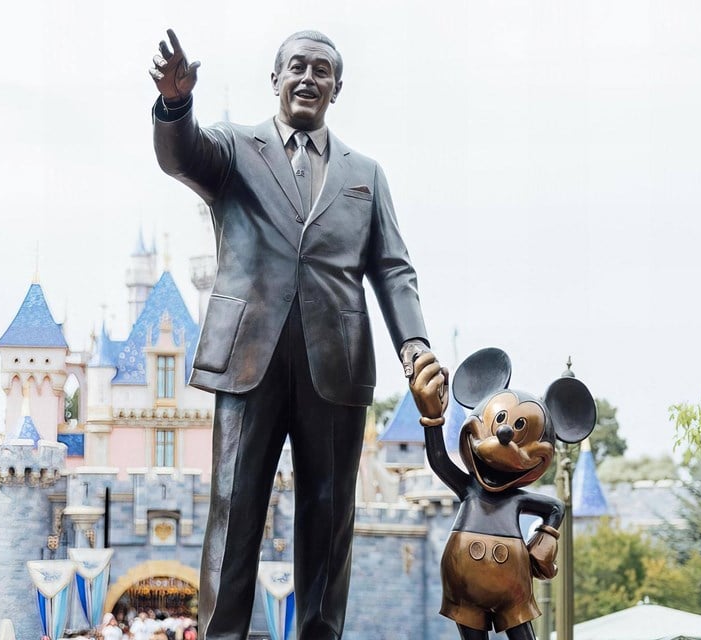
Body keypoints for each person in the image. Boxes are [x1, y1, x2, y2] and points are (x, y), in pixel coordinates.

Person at [150, 28, 442, 639]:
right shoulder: (233, 150)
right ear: (276, 78)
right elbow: (181, 156)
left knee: (329, 519)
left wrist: (414, 348)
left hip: (336, 366)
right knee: (234, 511)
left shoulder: (366, 174)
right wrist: (176, 107)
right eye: (297, 68)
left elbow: (392, 266)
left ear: (337, 87)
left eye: (322, 70)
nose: (309, 78)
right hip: (247, 357)